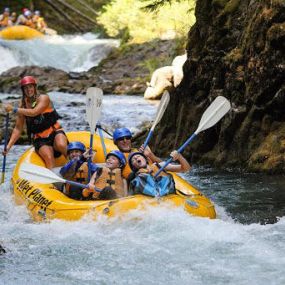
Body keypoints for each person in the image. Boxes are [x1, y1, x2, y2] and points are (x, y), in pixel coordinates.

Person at [3, 76, 68, 169]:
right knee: (49, 158)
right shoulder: (23, 105)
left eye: (30, 87)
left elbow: (34, 112)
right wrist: (8, 146)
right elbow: (18, 128)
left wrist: (14, 109)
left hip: (54, 132)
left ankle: (76, 166)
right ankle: (54, 182)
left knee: (61, 144)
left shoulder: (44, 98)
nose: (28, 90)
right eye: (25, 88)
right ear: (23, 90)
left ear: (34, 87)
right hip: (40, 139)